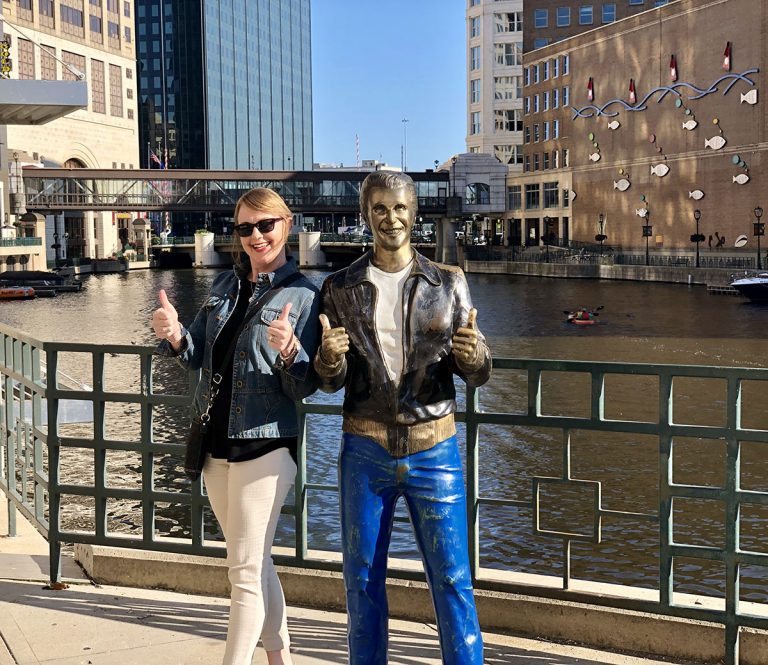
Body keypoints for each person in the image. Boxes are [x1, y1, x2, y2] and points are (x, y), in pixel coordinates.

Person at [314, 171, 491, 664]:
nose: (390, 218)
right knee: (362, 580)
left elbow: (476, 371)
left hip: (434, 448)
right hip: (364, 451)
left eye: (399, 208)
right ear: (365, 215)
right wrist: (328, 359)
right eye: (379, 209)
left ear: (414, 213)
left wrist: (474, 356)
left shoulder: (449, 283)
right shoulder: (338, 288)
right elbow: (329, 381)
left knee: (453, 578)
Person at [152, 187, 320, 665]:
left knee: (242, 572)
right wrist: (175, 334)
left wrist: (289, 350)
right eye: (245, 228)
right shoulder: (226, 287)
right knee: (254, 562)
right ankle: (279, 655)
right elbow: (196, 356)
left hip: (265, 445)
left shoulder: (305, 296)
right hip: (215, 443)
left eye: (265, 225)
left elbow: (305, 386)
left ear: (285, 225)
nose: (255, 236)